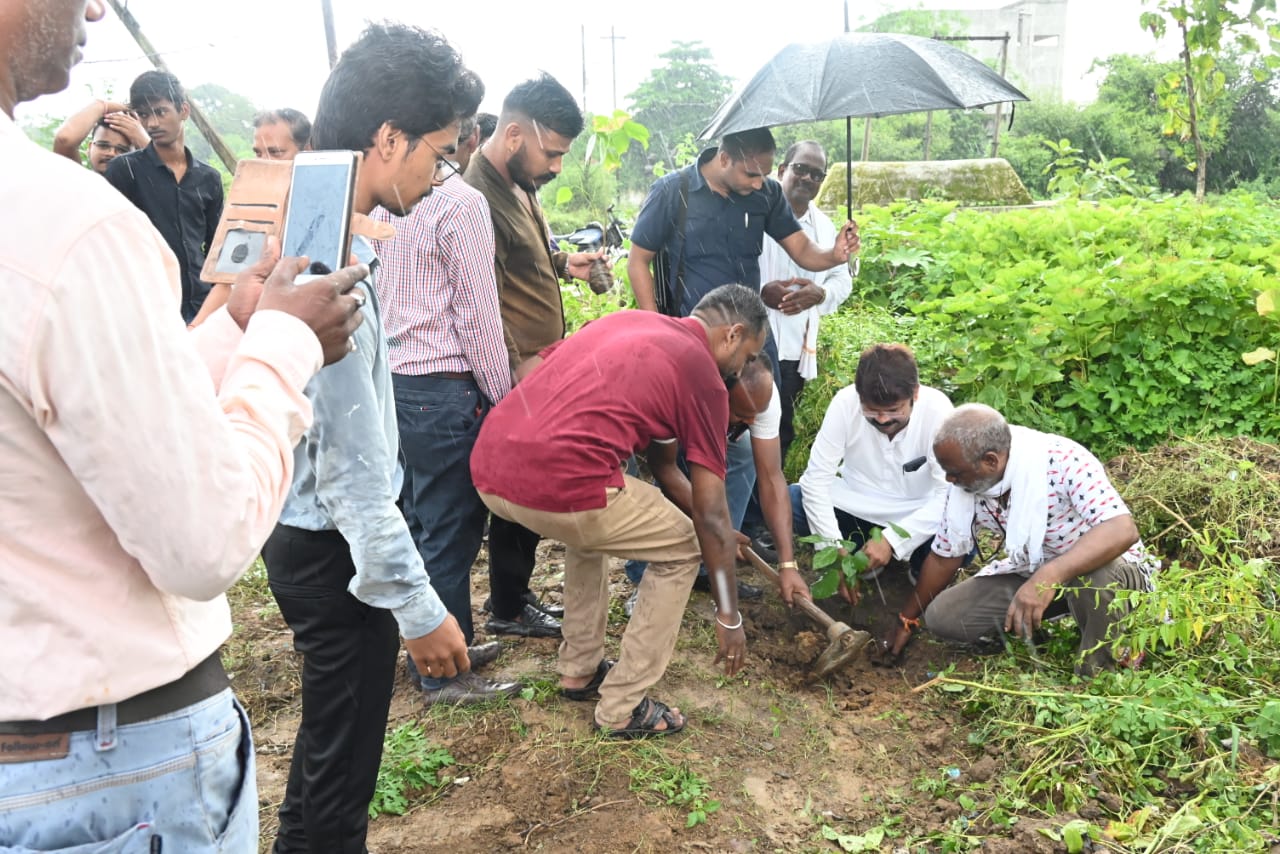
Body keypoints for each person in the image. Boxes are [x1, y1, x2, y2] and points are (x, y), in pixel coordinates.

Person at [0, 2, 366, 850]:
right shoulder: (64, 218)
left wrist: (236, 327)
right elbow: (203, 541)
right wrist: (285, 344)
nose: (96, 6)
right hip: (103, 768)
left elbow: (91, 414)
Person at [259, 23, 484, 852]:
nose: (440, 172)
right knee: (343, 774)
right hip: (334, 553)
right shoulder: (332, 272)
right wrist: (421, 610)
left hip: (304, 533)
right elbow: (356, 481)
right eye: (440, 152)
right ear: (389, 139)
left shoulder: (313, 230)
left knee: (328, 746)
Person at [471, 284, 767, 738]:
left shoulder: (628, 322)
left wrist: (723, 533)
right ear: (733, 334)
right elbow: (709, 517)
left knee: (595, 525)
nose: (741, 370)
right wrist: (729, 616)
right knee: (686, 547)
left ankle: (579, 668)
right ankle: (622, 707)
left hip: (492, 470)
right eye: (748, 357)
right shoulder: (704, 375)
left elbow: (663, 466)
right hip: (562, 485)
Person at [371, 110, 523, 705]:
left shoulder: (382, 195)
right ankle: (443, 670)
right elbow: (478, 316)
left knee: (416, 520)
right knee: (451, 531)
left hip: (395, 382)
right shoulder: (460, 203)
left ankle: (438, 642)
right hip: (443, 386)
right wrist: (503, 398)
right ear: (465, 136)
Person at [464, 73, 601, 640]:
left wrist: (568, 263)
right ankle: (507, 605)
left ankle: (511, 599)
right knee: (517, 488)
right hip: (516, 370)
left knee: (524, 484)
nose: (558, 167)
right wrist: (516, 371)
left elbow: (527, 257)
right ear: (515, 135)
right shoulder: (476, 198)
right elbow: (483, 297)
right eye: (553, 153)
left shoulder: (522, 184)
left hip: (539, 363)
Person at [882, 403, 1159, 676]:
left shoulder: (1063, 461)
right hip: (1036, 568)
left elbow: (1121, 529)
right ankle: (1055, 616)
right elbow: (945, 557)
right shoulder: (967, 489)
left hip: (1109, 573)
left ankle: (1097, 675)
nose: (949, 479)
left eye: (955, 472)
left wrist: (1048, 577)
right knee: (945, 616)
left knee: (1095, 576)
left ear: (991, 461)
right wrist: (907, 618)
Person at [625, 353, 806, 614]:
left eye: (756, 415)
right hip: (671, 433)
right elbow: (665, 468)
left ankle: (709, 565)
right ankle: (646, 575)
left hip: (713, 419)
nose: (752, 422)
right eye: (742, 414)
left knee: (745, 450)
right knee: (678, 474)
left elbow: (771, 477)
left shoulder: (761, 400)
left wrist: (787, 564)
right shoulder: (687, 392)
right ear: (721, 394)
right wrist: (715, 526)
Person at [794, 344, 953, 594]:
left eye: (893, 410)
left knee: (959, 531)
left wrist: (892, 540)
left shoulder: (938, 412)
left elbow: (949, 494)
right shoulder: (845, 403)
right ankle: (860, 556)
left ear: (915, 394)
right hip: (856, 504)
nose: (882, 419)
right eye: (872, 410)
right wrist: (834, 550)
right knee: (794, 500)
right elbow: (816, 481)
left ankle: (920, 568)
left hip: (916, 510)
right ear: (859, 395)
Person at [759, 140, 853, 459]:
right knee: (744, 424)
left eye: (817, 174)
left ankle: (768, 486)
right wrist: (760, 292)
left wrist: (820, 294)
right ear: (782, 170)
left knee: (782, 426)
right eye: (801, 169)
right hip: (754, 341)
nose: (808, 178)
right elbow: (731, 268)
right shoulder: (755, 216)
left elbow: (843, 279)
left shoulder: (824, 227)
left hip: (794, 347)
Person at [106, 70, 223, 323]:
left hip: (202, 305)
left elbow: (216, 248)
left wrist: (214, 304)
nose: (152, 124)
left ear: (184, 111)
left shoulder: (209, 178)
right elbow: (112, 244)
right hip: (150, 306)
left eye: (160, 112)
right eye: (144, 115)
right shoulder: (125, 170)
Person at [190, 109, 312, 328]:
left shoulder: (324, 219)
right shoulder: (248, 210)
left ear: (307, 151)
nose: (264, 163)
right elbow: (227, 284)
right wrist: (192, 331)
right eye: (258, 153)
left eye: (275, 153)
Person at [51, 98, 147, 173]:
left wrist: (142, 138)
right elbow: (65, 141)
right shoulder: (77, 181)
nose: (111, 153)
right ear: (89, 148)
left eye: (122, 150)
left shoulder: (146, 188)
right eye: (103, 145)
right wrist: (102, 106)